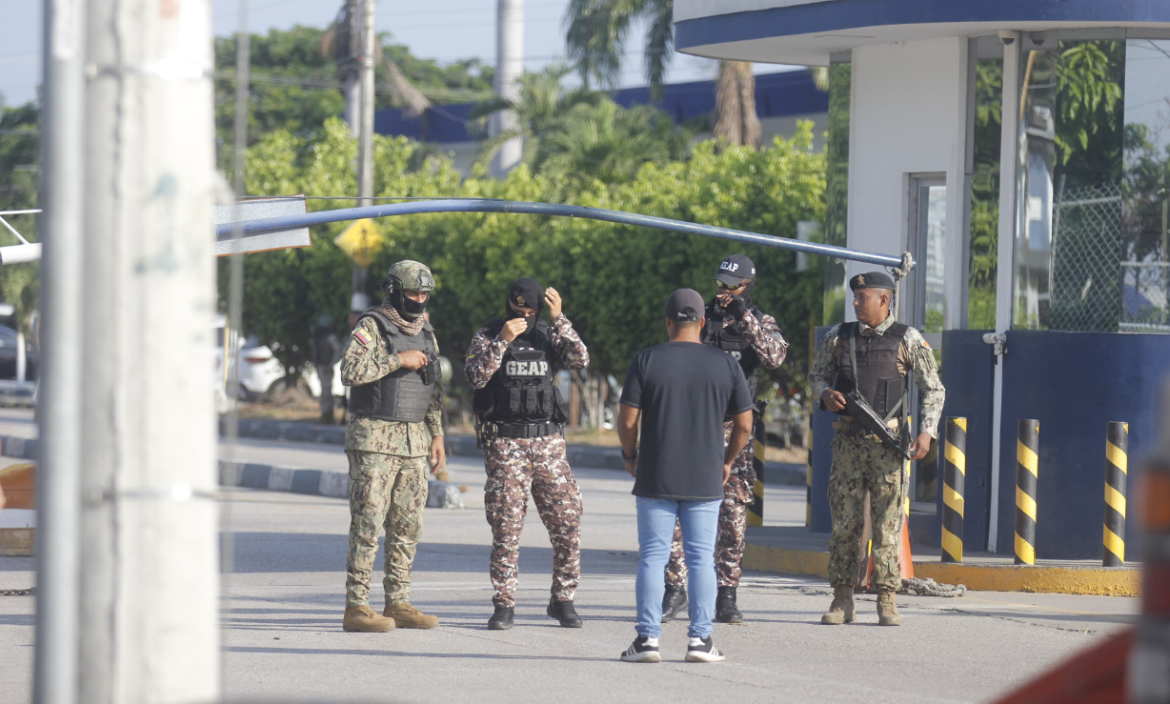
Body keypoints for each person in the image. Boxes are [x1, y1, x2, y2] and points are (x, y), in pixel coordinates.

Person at [616, 288, 754, 664]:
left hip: (656, 475)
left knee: (653, 559)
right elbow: (744, 425)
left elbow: (627, 420)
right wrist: (726, 461)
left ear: (667, 322)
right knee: (700, 561)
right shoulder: (725, 364)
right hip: (705, 477)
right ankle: (700, 641)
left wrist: (630, 455)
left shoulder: (646, 360)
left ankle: (647, 641)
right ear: (703, 323)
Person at [808, 271, 945, 627]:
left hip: (888, 447)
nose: (854, 302)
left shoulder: (908, 339)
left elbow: (933, 389)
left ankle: (887, 600)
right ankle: (842, 599)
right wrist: (825, 394)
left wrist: (927, 433)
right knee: (845, 526)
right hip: (849, 445)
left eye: (862, 297)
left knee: (888, 525)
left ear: (884, 300)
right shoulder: (839, 337)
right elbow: (816, 376)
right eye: (854, 297)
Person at [662, 254, 789, 625]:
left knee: (733, 513)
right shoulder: (701, 318)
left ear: (746, 286)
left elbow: (775, 358)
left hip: (736, 430)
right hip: (694, 426)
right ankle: (675, 588)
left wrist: (745, 318)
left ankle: (727, 595)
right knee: (679, 511)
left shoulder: (761, 321)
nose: (722, 293)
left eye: (731, 286)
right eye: (719, 285)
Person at [464, 278, 590, 631]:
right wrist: (503, 340)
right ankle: (504, 603)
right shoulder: (489, 334)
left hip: (548, 443)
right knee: (506, 528)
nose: (524, 317)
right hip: (506, 444)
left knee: (568, 522)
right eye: (518, 310)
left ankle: (563, 599)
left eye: (531, 312)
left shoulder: (549, 334)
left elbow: (580, 359)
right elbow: (475, 376)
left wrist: (560, 317)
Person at [340, 260, 447, 633]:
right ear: (394, 291)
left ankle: (398, 602)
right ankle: (357, 607)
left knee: (407, 525)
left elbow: (432, 387)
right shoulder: (371, 325)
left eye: (424, 294)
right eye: (413, 293)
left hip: (414, 441)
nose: (419, 299)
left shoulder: (426, 331)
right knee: (369, 522)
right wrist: (396, 360)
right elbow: (349, 371)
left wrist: (437, 434)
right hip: (374, 438)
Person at [310, 313, 342, 425]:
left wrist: (331, 364)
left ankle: (328, 415)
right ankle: (325, 414)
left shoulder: (330, 337)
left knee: (326, 392)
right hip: (321, 366)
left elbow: (338, 352)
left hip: (326, 367)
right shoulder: (320, 336)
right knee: (324, 392)